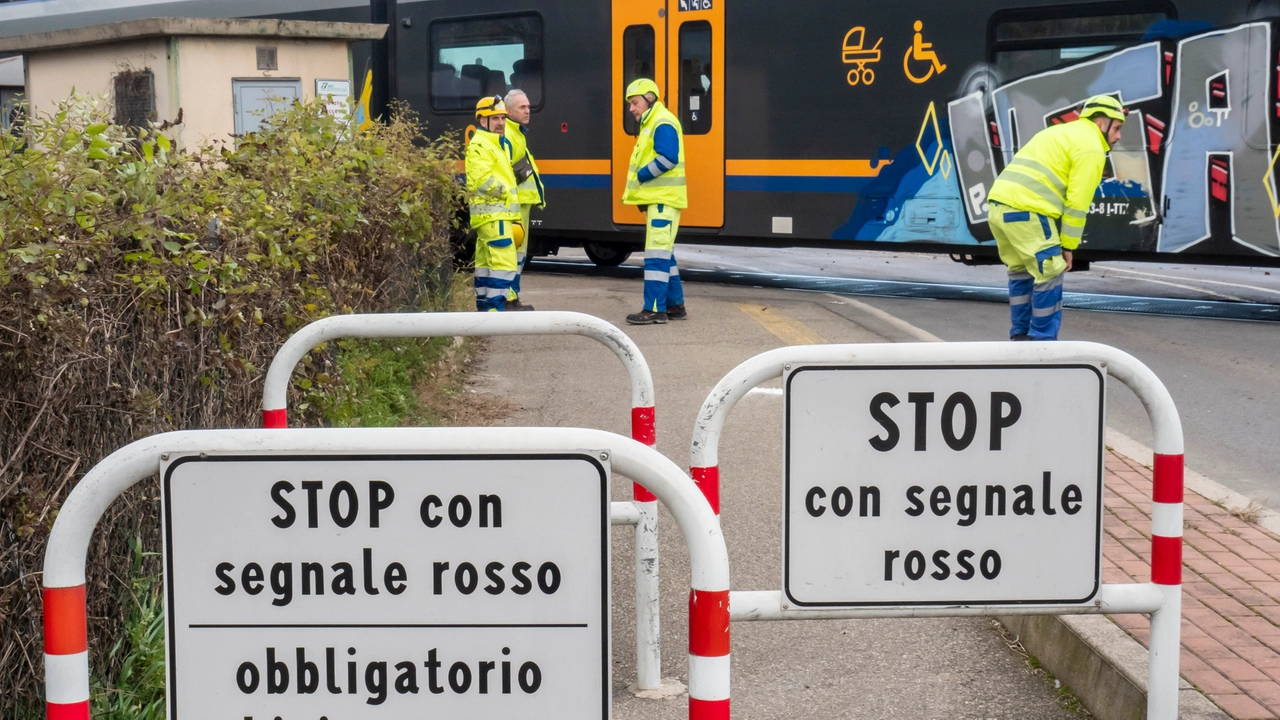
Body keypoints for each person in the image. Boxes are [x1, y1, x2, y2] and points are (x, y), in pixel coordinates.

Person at [987, 94, 1126, 340]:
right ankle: (1042, 341)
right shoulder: (1091, 146)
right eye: (1116, 128)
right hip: (1029, 210)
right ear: (1101, 123)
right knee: (1050, 271)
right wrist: (1068, 246)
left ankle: (1019, 336)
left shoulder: (1058, 132)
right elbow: (1077, 204)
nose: (1118, 136)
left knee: (1021, 271)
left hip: (999, 206)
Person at [620, 78, 688, 325]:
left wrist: (642, 174)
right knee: (665, 254)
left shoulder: (661, 121)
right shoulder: (655, 121)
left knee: (656, 256)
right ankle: (675, 305)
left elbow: (668, 158)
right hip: (662, 199)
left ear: (650, 99)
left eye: (635, 102)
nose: (631, 108)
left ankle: (654, 310)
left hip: (663, 200)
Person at [466, 95, 523, 312]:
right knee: (504, 264)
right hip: (494, 216)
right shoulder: (482, 144)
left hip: (492, 217)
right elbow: (481, 180)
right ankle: (494, 311)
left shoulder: (494, 144)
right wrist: (507, 194)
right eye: (495, 118)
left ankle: (485, 311)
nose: (501, 123)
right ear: (482, 121)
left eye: (502, 118)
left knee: (486, 266)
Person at [504, 88, 545, 311]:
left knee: (519, 253)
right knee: (514, 251)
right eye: (523, 107)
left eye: (528, 106)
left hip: (522, 201)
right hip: (515, 203)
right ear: (509, 111)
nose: (528, 110)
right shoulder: (510, 135)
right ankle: (510, 299)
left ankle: (513, 297)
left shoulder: (517, 133)